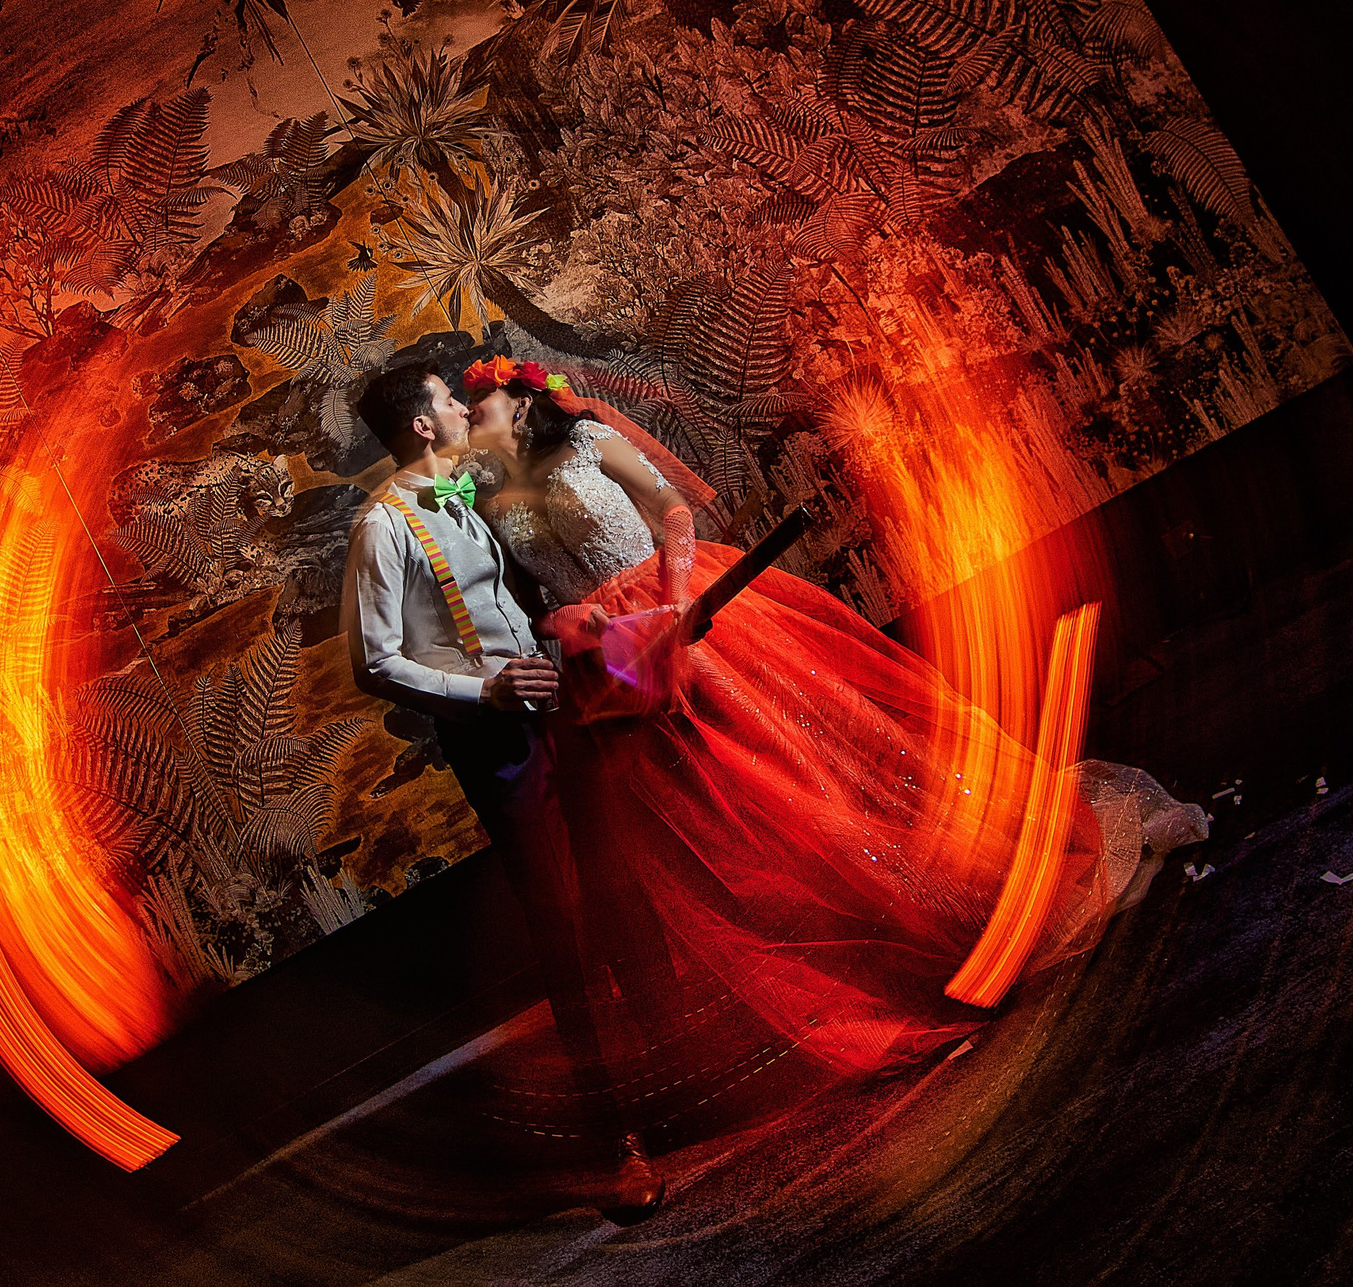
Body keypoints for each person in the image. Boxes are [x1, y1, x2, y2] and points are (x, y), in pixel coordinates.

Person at [452, 354, 1211, 1117]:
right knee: (728, 813)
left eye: (475, 403)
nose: (468, 417)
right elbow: (525, 601)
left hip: (686, 610)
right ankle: (862, 970)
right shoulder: (489, 499)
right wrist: (568, 622)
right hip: (610, 659)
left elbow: (673, 510)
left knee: (810, 759)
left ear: (518, 404)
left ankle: (956, 906)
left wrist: (680, 602)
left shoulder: (588, 442)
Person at [340, 363, 666, 1222]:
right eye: (449, 400)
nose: (460, 407)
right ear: (421, 425)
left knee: (625, 881)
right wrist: (480, 693)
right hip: (499, 750)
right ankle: (618, 1138)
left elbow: (511, 606)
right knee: (562, 923)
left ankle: (683, 1072)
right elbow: (373, 661)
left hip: (567, 716)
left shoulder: (468, 492)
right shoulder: (382, 529)